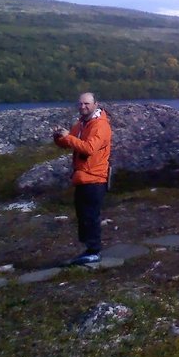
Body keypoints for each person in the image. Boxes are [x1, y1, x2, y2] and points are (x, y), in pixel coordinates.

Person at [53, 92, 112, 265]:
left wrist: (68, 137)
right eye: (80, 104)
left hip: (95, 178)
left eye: (86, 103)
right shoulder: (81, 124)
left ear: (95, 104)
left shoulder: (100, 125)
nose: (82, 107)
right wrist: (59, 137)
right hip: (82, 177)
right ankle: (89, 249)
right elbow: (69, 143)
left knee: (90, 216)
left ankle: (94, 251)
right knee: (83, 215)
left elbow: (89, 148)